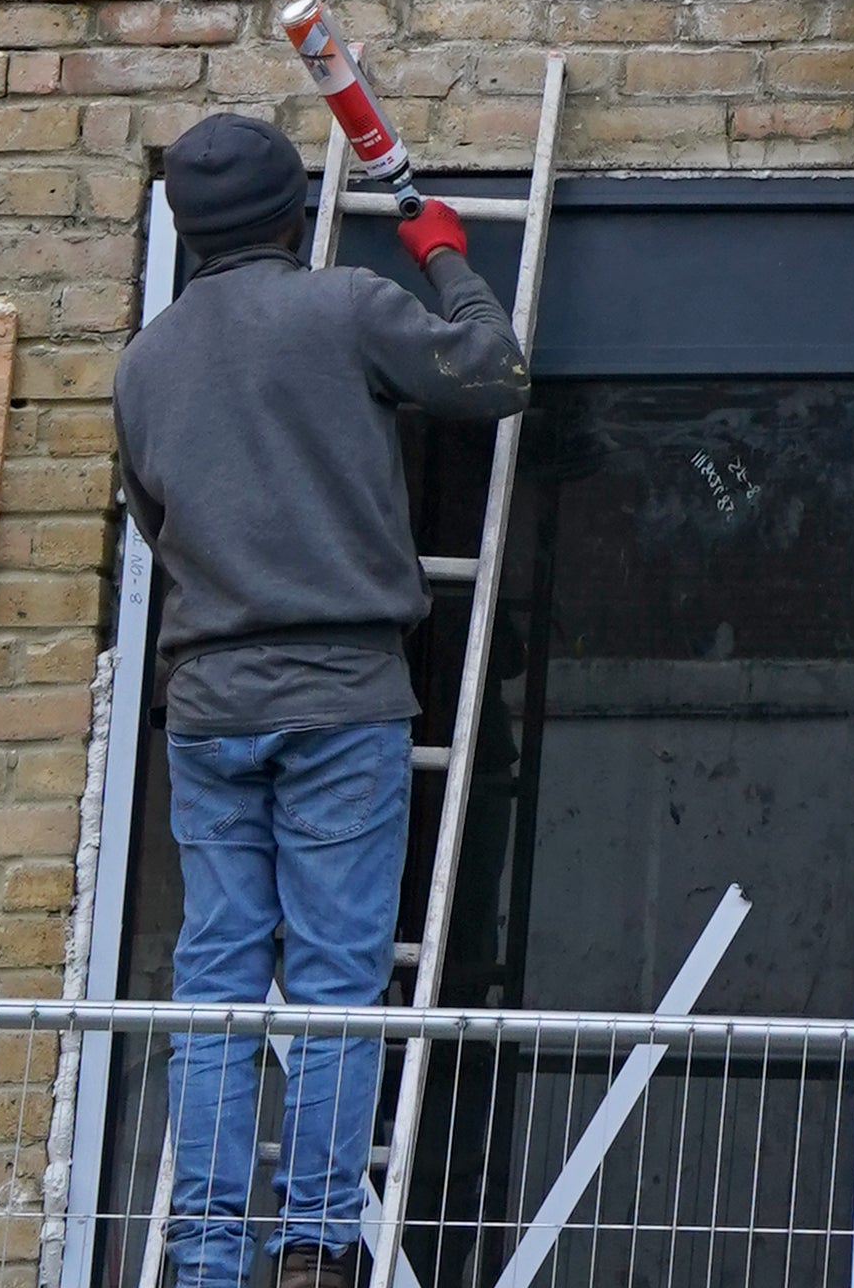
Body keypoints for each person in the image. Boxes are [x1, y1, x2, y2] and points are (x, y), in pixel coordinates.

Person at [113, 113, 531, 1288]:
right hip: (343, 693)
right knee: (340, 978)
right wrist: (443, 247)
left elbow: (162, 530)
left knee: (217, 983)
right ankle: (311, 1247)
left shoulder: (144, 365)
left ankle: (200, 1255)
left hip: (208, 707)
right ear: (295, 217)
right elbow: (491, 370)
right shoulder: (345, 308)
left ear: (187, 233)